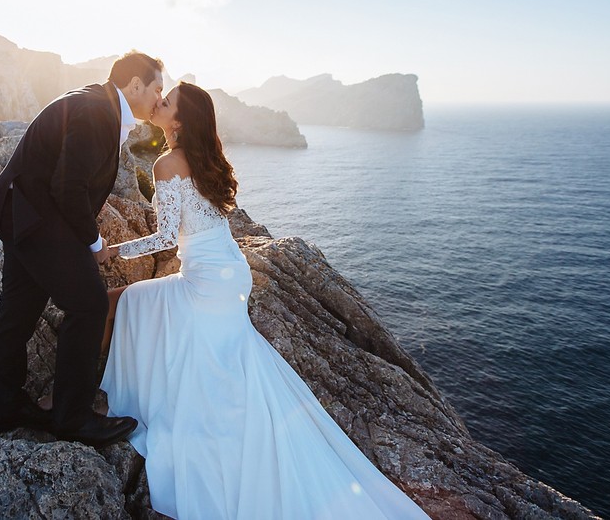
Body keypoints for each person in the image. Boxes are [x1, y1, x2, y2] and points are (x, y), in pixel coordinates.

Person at [99, 82, 431, 518]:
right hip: (228, 275)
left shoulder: (165, 164)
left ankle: (95, 395)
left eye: (167, 101)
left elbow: (165, 237)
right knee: (214, 351)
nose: (158, 103)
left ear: (178, 120)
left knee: (117, 302)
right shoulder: (206, 160)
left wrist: (112, 250)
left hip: (203, 281)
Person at [0, 50, 164, 448]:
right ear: (135, 85)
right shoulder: (98, 110)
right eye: (156, 89)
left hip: (23, 213)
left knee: (18, 314)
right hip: (35, 216)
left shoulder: (97, 102)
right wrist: (94, 243)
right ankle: (73, 417)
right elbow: (68, 186)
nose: (158, 99)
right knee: (90, 305)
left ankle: (6, 408)